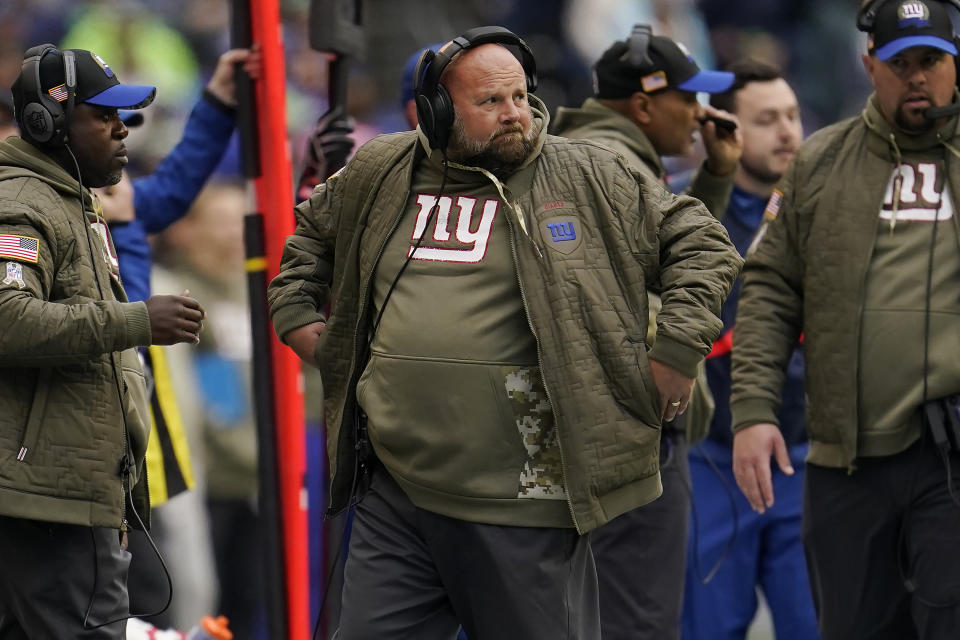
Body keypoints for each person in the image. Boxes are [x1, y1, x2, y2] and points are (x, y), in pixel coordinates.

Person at [269, 26, 741, 639]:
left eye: (520, 97)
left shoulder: (586, 172)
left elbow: (702, 243)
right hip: (398, 491)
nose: (514, 115)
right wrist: (314, 339)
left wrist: (677, 350)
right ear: (437, 111)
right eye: (490, 102)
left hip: (525, 498)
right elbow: (304, 246)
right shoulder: (382, 169)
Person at [731, 2, 960, 638]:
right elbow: (771, 288)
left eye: (933, 62)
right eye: (901, 64)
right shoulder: (819, 163)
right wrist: (753, 412)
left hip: (952, 456)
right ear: (869, 66)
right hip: (845, 461)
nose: (918, 78)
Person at [0, 44, 204, 639]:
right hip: (46, 499)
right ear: (47, 121)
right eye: (103, 116)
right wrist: (138, 321)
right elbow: (8, 318)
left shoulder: (69, 198)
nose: (122, 130)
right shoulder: (22, 202)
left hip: (59, 492)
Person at [550, 26, 742, 640]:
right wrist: (668, 369)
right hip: (633, 433)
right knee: (637, 620)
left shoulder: (595, 157)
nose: (700, 113)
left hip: (604, 430)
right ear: (642, 105)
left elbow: (659, 265)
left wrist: (713, 177)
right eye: (687, 98)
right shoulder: (612, 165)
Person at [680, 59, 818, 640]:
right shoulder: (686, 215)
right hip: (710, 462)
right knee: (710, 630)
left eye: (792, 115)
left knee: (819, 626)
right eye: (766, 120)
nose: (788, 132)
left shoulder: (830, 209)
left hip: (807, 459)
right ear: (721, 129)